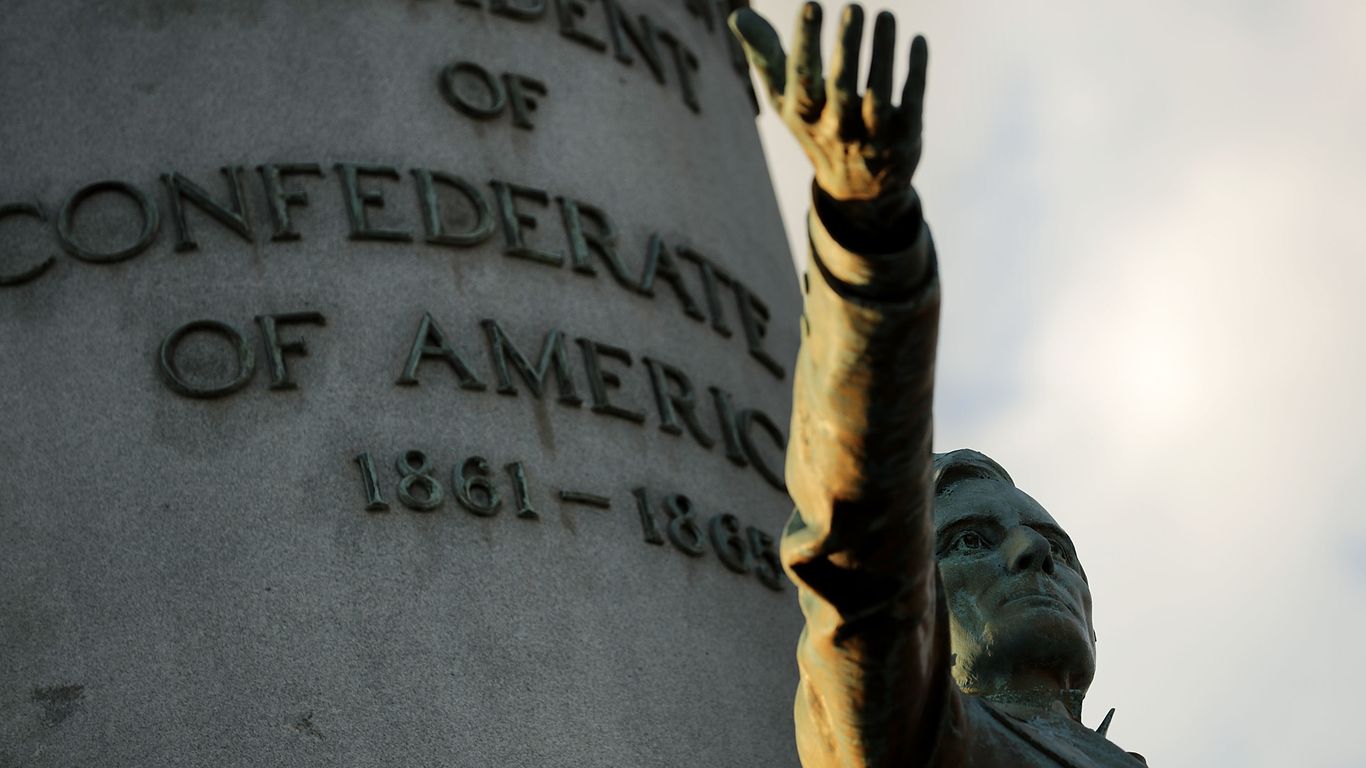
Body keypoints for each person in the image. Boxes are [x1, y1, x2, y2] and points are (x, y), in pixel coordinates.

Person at [728, 4, 1147, 765]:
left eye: (1057, 545)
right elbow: (861, 555)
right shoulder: (934, 744)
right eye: (970, 541)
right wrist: (867, 237)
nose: (1030, 554)